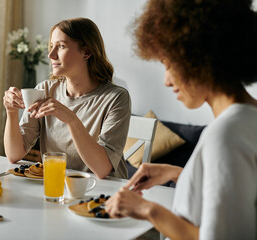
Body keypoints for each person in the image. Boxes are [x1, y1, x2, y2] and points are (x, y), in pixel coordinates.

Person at [105, 0, 257, 239]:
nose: (166, 80)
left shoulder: (225, 134)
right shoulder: (248, 119)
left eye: (168, 64)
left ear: (198, 57)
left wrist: (146, 208)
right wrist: (179, 174)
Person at [3, 18, 131, 179]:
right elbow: (14, 155)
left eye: (61, 46)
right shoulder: (45, 90)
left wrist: (71, 119)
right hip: (56, 186)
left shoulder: (116, 98)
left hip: (103, 193)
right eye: (51, 47)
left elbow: (102, 169)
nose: (51, 55)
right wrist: (11, 112)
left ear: (87, 52)